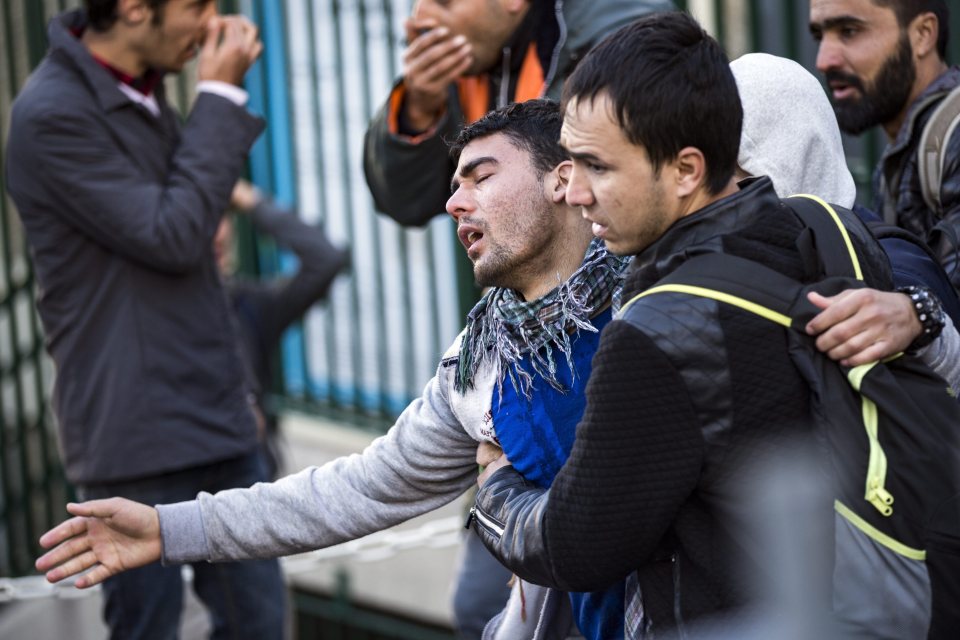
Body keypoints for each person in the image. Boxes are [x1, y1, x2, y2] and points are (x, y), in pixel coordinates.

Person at [33, 100, 634, 640]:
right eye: (453, 186)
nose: (454, 202)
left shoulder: (657, 300)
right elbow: (358, 488)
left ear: (562, 180)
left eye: (481, 177)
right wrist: (172, 529)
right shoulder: (477, 367)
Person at [465, 13, 895, 635]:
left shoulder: (659, 333)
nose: (576, 193)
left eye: (599, 167)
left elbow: (576, 545)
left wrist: (494, 487)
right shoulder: (831, 231)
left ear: (688, 170)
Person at [3, 1, 285, 638]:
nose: (212, 23)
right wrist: (216, 92)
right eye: (195, 6)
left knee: (260, 627)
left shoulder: (142, 90)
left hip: (218, 420)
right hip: (135, 432)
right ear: (134, 8)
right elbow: (174, 234)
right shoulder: (51, 114)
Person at [730, 51, 960, 390]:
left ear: (785, 160)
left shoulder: (890, 269)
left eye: (731, 172)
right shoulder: (739, 258)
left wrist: (919, 319)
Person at [362, 0, 673, 227]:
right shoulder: (463, 63)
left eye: (444, 2)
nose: (421, 17)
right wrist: (419, 109)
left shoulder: (618, 34)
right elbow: (405, 202)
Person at [808, 1, 960, 287]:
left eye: (849, 31)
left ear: (923, 34)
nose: (824, 60)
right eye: (819, 36)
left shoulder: (952, 140)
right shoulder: (903, 151)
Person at [218, 180, 350, 479]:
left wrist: (252, 201)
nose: (218, 232)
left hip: (251, 482)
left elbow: (325, 260)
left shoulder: (247, 306)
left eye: (222, 215)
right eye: (202, 219)